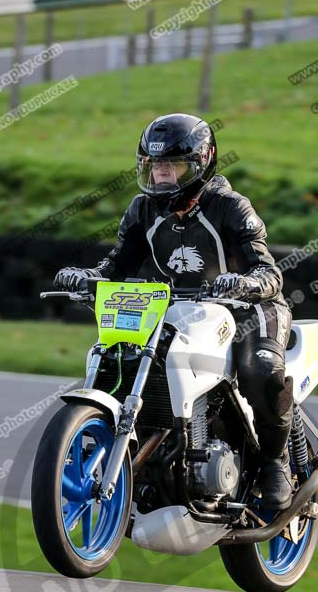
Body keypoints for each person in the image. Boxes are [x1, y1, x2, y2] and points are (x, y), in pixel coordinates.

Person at [54, 113, 293, 509]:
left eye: (173, 166)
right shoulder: (142, 210)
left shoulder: (230, 207)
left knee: (261, 371)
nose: (162, 177)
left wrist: (246, 283)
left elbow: (269, 273)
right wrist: (88, 279)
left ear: (202, 163)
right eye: (155, 167)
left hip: (248, 308)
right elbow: (116, 267)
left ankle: (274, 462)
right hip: (182, 310)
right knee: (122, 361)